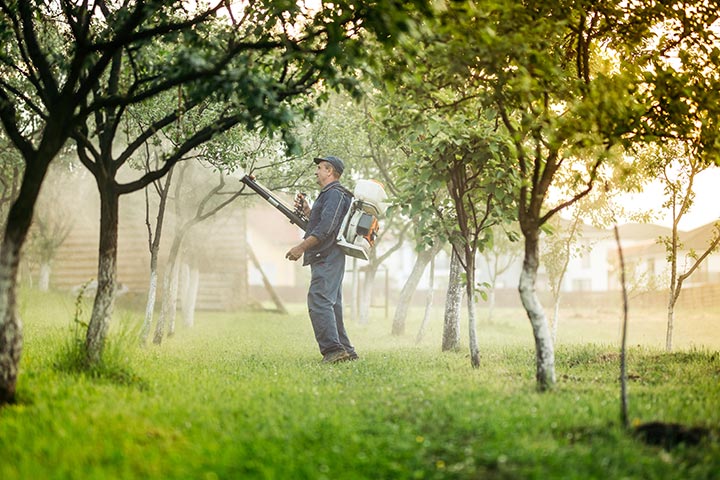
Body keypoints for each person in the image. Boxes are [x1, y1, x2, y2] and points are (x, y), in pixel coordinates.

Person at [285, 156, 358, 363]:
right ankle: (346, 351)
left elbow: (326, 229)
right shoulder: (328, 195)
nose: (316, 171)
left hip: (327, 254)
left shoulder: (334, 194)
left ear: (330, 171)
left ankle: (333, 351)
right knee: (331, 304)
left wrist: (300, 247)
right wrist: (308, 211)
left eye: (319, 168)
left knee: (319, 300)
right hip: (328, 255)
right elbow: (324, 222)